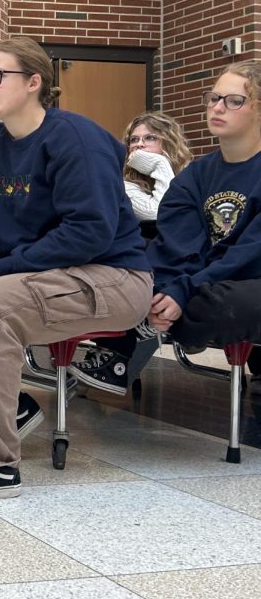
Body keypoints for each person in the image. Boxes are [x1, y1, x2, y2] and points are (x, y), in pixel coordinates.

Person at [0, 37, 152, 501]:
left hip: (110, 277)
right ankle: (10, 411)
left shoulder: (76, 139)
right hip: (35, 276)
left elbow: (89, 233)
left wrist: (4, 267)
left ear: (35, 82)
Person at [74, 63, 261, 394]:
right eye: (214, 98)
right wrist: (170, 287)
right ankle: (149, 323)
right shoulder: (195, 175)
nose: (217, 107)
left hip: (248, 281)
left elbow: (247, 253)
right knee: (130, 275)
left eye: (233, 101)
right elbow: (177, 243)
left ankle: (147, 326)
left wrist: (183, 289)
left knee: (218, 306)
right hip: (208, 285)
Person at [120, 111, 192, 222]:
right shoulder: (124, 186)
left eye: (150, 138)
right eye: (134, 139)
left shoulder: (189, 177)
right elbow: (161, 213)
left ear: (168, 144)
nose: (139, 144)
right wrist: (160, 162)